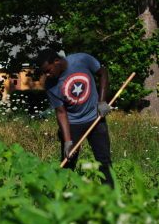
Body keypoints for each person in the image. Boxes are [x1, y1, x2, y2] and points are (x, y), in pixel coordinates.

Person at [37, 48, 114, 187]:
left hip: (95, 118)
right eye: (44, 73)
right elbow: (61, 113)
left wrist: (102, 101)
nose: (47, 75)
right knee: (68, 162)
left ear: (57, 61)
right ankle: (64, 199)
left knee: (104, 161)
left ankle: (111, 199)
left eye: (48, 70)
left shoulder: (82, 60)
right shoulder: (50, 86)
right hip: (72, 124)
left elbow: (102, 74)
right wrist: (67, 141)